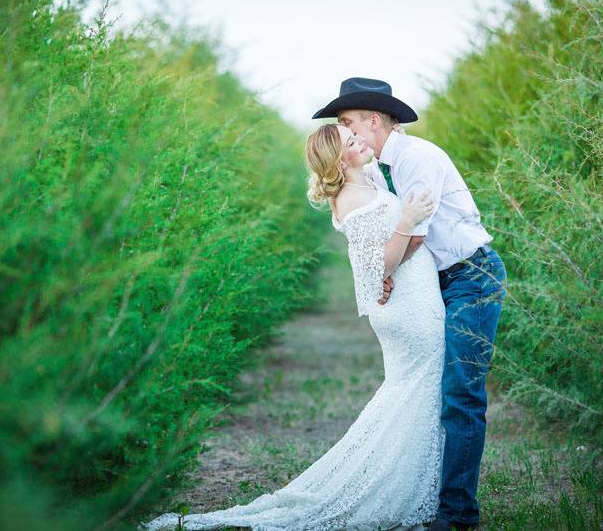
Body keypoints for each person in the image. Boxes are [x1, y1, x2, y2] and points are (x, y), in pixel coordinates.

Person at [141, 123, 446, 530]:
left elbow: (386, 255)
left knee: (412, 396)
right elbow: (377, 269)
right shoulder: (354, 198)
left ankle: (414, 483)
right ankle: (401, 489)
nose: (360, 141)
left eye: (355, 136)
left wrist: (408, 232)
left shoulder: (362, 188)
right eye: (351, 142)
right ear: (340, 160)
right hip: (409, 310)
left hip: (411, 298)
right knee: (417, 393)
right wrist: (408, 217)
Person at [314, 77, 507, 530]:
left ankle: (458, 516)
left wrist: (382, 272)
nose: (349, 132)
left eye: (347, 122)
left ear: (374, 119)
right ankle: (437, 498)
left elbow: (414, 234)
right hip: (441, 282)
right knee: (441, 392)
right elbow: (386, 235)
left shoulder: (416, 157)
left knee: (461, 394)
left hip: (470, 277)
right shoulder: (382, 168)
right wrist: (383, 273)